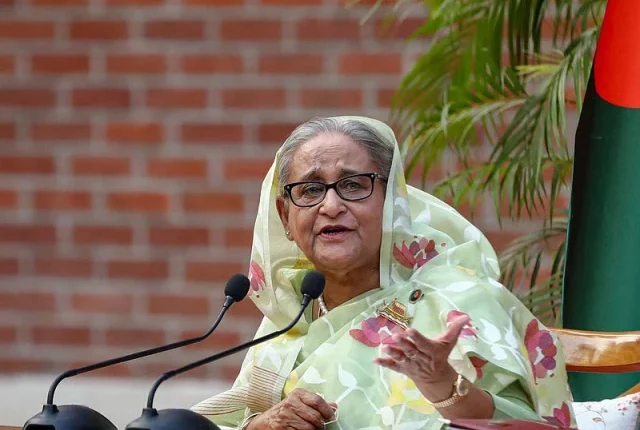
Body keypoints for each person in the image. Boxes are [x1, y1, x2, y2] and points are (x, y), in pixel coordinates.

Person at [191, 116, 576, 429]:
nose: (331, 205)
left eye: (352, 185)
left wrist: (443, 386)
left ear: (392, 202)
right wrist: (262, 426)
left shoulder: (459, 302)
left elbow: (528, 426)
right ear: (285, 217)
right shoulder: (288, 324)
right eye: (310, 190)